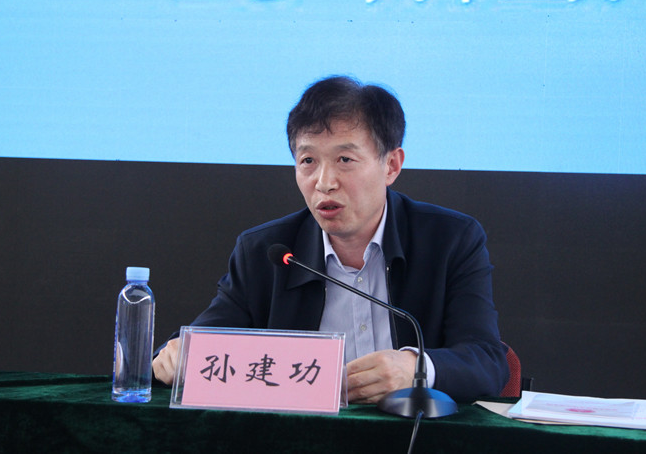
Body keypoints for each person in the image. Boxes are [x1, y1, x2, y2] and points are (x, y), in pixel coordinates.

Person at [153, 75, 508, 403]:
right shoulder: (265, 252)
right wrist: (177, 356)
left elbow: (488, 362)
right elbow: (195, 345)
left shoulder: (450, 240)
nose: (324, 182)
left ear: (391, 165)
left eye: (344, 159)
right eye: (308, 160)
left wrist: (416, 369)